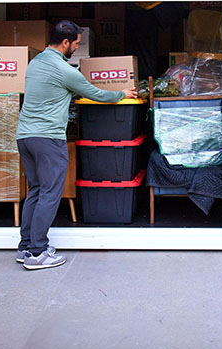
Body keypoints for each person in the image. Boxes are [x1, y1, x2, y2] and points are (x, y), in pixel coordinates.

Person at [15, 20, 137, 270]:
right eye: (76, 44)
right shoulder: (65, 71)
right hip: (48, 139)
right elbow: (97, 94)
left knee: (36, 190)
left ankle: (26, 246)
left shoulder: (36, 62)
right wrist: (122, 94)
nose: (76, 49)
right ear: (65, 42)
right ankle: (37, 253)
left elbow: (53, 92)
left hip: (25, 136)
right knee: (49, 193)